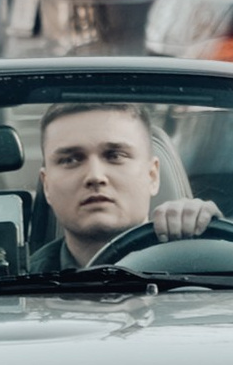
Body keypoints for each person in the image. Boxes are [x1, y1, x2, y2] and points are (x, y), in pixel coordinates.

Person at [34, 103, 219, 267]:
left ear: (152, 176)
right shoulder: (22, 286)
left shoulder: (205, 262)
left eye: (115, 156)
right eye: (71, 160)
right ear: (46, 186)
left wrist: (214, 241)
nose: (95, 176)